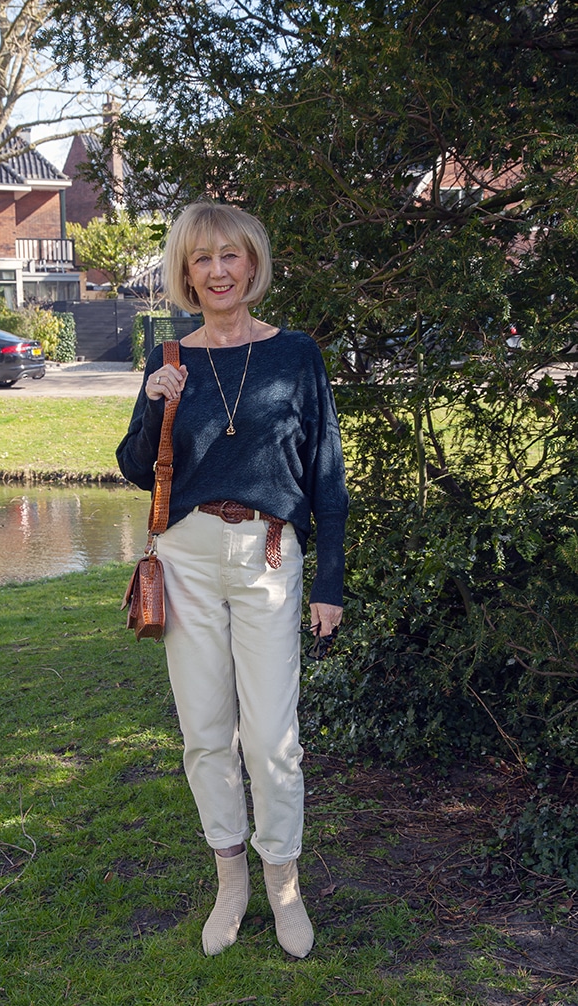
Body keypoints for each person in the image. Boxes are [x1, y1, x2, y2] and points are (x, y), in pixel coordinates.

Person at [116, 199, 349, 958]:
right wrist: (154, 410)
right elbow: (132, 467)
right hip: (185, 556)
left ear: (252, 263)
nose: (217, 271)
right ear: (185, 272)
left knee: (274, 741)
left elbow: (326, 475)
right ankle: (230, 878)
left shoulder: (296, 354)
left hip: (268, 558)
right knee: (206, 734)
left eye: (230, 256)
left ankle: (282, 882)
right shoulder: (169, 358)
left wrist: (330, 582)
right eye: (201, 259)